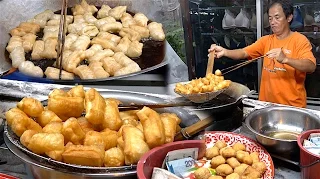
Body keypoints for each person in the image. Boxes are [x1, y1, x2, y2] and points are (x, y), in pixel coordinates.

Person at [208, 0, 316, 108]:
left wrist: (286, 59)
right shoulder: (265, 41)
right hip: (266, 106)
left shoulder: (300, 40)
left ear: (289, 18)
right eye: (270, 18)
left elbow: (311, 66)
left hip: (292, 107)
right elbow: (243, 52)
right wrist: (225, 51)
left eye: (277, 17)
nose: (272, 22)